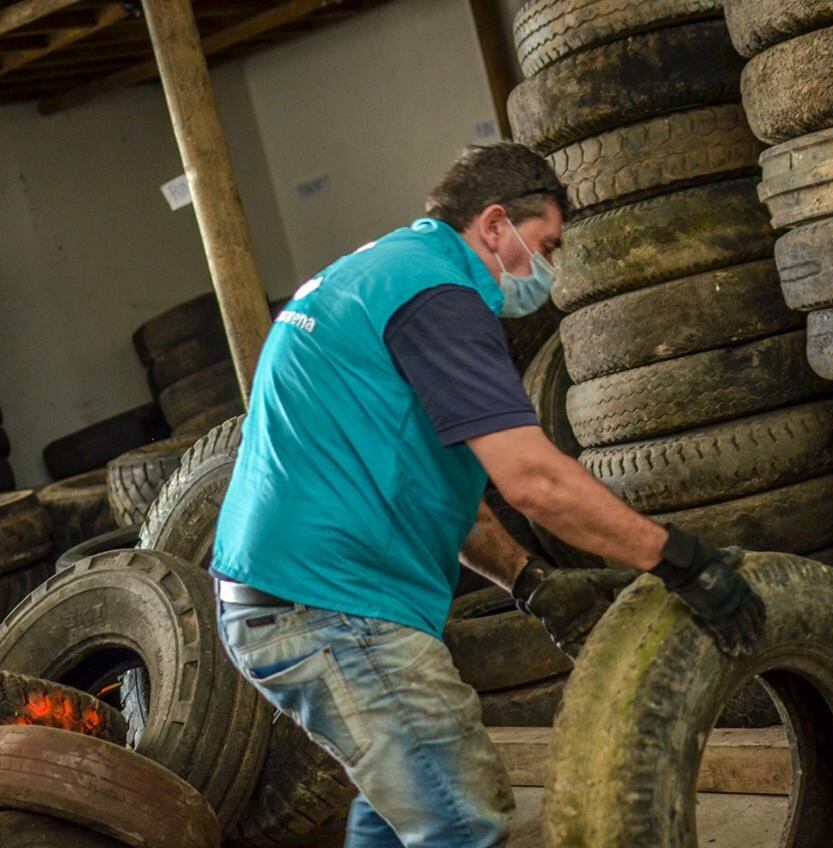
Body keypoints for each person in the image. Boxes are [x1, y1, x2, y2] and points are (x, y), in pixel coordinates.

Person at [210, 143, 766, 848]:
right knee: (459, 819)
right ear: (496, 224)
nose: (550, 269)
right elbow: (533, 482)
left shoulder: (383, 274)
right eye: (547, 244)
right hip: (332, 607)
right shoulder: (442, 295)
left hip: (293, 598)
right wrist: (680, 561)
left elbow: (432, 488)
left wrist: (530, 583)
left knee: (400, 812)